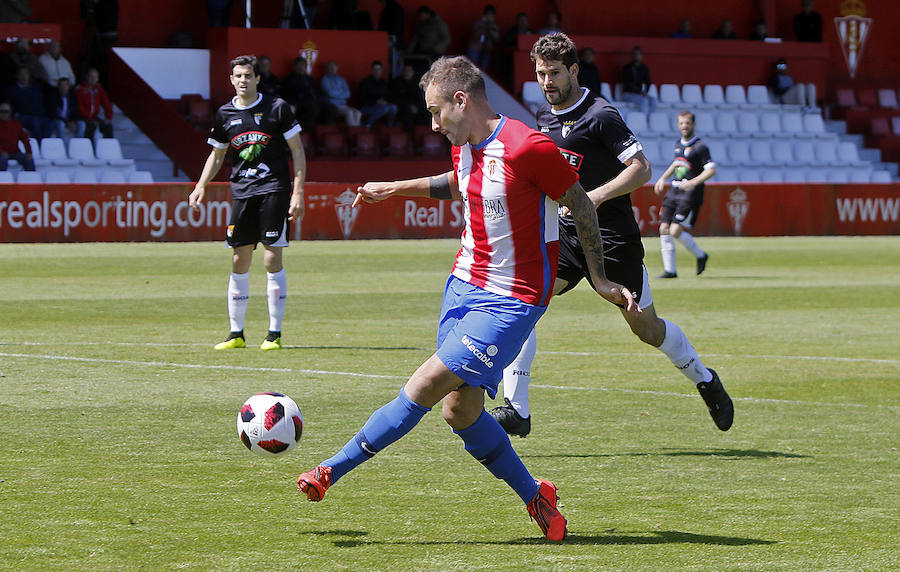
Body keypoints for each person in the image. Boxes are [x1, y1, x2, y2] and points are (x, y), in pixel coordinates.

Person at [295, 55, 638, 542]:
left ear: (462, 100)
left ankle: (330, 470)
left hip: (513, 299)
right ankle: (535, 495)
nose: (434, 125)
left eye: (437, 112)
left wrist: (600, 279)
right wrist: (394, 189)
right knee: (461, 412)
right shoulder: (466, 143)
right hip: (463, 285)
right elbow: (459, 182)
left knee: (426, 383)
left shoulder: (528, 147)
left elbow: (580, 204)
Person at [490, 33, 733, 439]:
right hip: (568, 237)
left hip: (612, 238)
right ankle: (518, 409)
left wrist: (595, 196)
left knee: (647, 330)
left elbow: (641, 168)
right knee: (526, 302)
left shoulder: (601, 114)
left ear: (573, 71)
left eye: (553, 73)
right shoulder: (544, 118)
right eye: (540, 74)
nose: (547, 82)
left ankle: (705, 379)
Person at [188, 55, 306, 351]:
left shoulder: (277, 109)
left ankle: (273, 334)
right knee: (239, 258)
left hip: (273, 190)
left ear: (257, 79)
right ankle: (235, 333)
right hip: (241, 193)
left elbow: (298, 151)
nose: (243, 80)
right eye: (238, 76)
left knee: (271, 258)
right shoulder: (225, 113)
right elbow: (217, 155)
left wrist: (298, 192)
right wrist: (201, 185)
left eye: (248, 75)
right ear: (231, 79)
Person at [653, 110, 714, 279]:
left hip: (690, 194)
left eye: (687, 123)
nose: (684, 126)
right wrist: (662, 178)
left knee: (674, 230)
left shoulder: (700, 147)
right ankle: (670, 270)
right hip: (673, 191)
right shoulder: (678, 144)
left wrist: (692, 183)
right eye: (681, 123)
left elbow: (711, 170)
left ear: (693, 125)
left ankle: (700, 255)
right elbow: (677, 163)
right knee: (664, 228)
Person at [7, 66, 50, 140]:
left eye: (26, 73)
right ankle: (38, 143)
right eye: (21, 74)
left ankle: (44, 144)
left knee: (49, 123)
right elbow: (10, 106)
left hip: (38, 116)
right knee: (35, 122)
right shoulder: (12, 90)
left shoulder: (36, 88)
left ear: (29, 75)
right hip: (22, 117)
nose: (24, 76)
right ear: (17, 76)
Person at [279, 56, 321, 130]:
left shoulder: (310, 79)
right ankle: (298, 132)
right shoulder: (289, 79)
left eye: (303, 65)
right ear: (294, 66)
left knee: (317, 107)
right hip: (295, 103)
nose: (300, 67)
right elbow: (286, 94)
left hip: (309, 103)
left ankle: (311, 132)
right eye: (298, 65)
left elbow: (315, 92)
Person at [405, 5, 451, 70]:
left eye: (421, 15)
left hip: (435, 54)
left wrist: (435, 49)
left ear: (427, 14)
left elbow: (446, 39)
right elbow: (415, 39)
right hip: (423, 52)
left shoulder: (439, 24)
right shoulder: (421, 25)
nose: (420, 17)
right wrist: (408, 51)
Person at [75, 67, 114, 141]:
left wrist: (108, 117)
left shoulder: (98, 89)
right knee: (91, 125)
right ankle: (89, 148)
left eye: (95, 77)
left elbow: (106, 103)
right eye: (91, 76)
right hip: (82, 116)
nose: (93, 79)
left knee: (108, 126)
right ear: (87, 77)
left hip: (94, 117)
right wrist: (90, 119)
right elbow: (79, 107)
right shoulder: (80, 89)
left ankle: (108, 149)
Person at [356, 60, 398, 127]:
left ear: (381, 70)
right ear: (372, 70)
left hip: (381, 107)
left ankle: (389, 125)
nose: (377, 71)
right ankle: (367, 123)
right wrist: (376, 101)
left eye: (379, 69)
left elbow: (388, 96)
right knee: (385, 108)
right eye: (375, 69)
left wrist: (385, 101)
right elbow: (361, 99)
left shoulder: (383, 83)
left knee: (394, 107)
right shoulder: (365, 82)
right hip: (366, 107)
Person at [320, 59, 362, 126]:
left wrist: (335, 92)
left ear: (337, 68)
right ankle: (353, 132)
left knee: (358, 112)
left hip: (343, 105)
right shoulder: (325, 79)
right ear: (327, 68)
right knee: (350, 112)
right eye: (330, 67)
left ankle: (356, 131)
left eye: (334, 67)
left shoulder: (342, 79)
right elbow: (330, 93)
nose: (332, 69)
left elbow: (348, 94)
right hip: (333, 106)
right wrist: (341, 92)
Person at [45, 77, 85, 141]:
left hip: (68, 120)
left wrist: (73, 121)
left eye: (66, 85)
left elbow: (76, 112)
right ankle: (63, 147)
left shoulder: (72, 97)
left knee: (82, 124)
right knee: (61, 124)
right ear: (58, 86)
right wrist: (66, 122)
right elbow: (52, 113)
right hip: (57, 120)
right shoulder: (53, 97)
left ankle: (77, 144)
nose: (64, 87)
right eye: (62, 85)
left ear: (69, 87)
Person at [0, 101, 35, 172]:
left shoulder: (16, 124)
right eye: (1, 111)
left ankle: (31, 180)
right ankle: (3, 180)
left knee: (28, 159)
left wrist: (29, 152)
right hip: (1, 153)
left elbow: (25, 139)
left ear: (10, 112)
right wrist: (1, 152)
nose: (3, 114)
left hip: (15, 152)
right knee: (2, 159)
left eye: (6, 111)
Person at [390, 62, 427, 130]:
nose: (407, 72)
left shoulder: (416, 84)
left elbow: (420, 99)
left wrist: (417, 107)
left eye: (409, 71)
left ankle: (425, 134)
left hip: (415, 107)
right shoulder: (397, 82)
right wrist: (409, 105)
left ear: (413, 72)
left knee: (428, 111)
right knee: (407, 110)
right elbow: (394, 98)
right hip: (402, 107)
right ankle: (408, 133)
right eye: (405, 71)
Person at [621, 46, 656, 114]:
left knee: (654, 101)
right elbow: (627, 84)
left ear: (641, 56)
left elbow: (648, 82)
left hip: (639, 94)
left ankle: (648, 119)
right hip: (628, 94)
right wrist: (640, 92)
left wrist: (646, 92)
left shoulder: (644, 68)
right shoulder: (627, 68)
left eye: (638, 54)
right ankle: (641, 119)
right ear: (631, 56)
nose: (636, 56)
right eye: (634, 54)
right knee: (644, 101)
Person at [466, 4, 499, 70]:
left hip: (487, 50)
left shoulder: (494, 26)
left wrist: (490, 27)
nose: (489, 16)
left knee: (484, 70)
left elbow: (496, 38)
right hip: (475, 50)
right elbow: (476, 35)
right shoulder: (478, 23)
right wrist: (483, 24)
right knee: (472, 68)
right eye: (487, 14)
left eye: (491, 14)